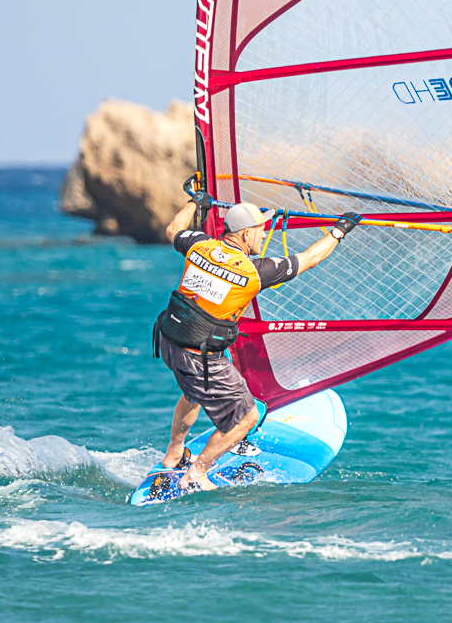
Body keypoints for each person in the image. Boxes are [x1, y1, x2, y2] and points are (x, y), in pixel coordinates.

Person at [151, 190, 360, 493]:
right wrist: (339, 231)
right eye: (260, 232)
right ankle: (196, 472)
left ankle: (174, 454)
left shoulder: (200, 246)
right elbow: (310, 258)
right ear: (246, 234)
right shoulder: (254, 272)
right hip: (200, 356)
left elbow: (173, 229)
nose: (263, 237)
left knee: (192, 392)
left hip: (169, 340)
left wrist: (195, 202)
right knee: (248, 416)